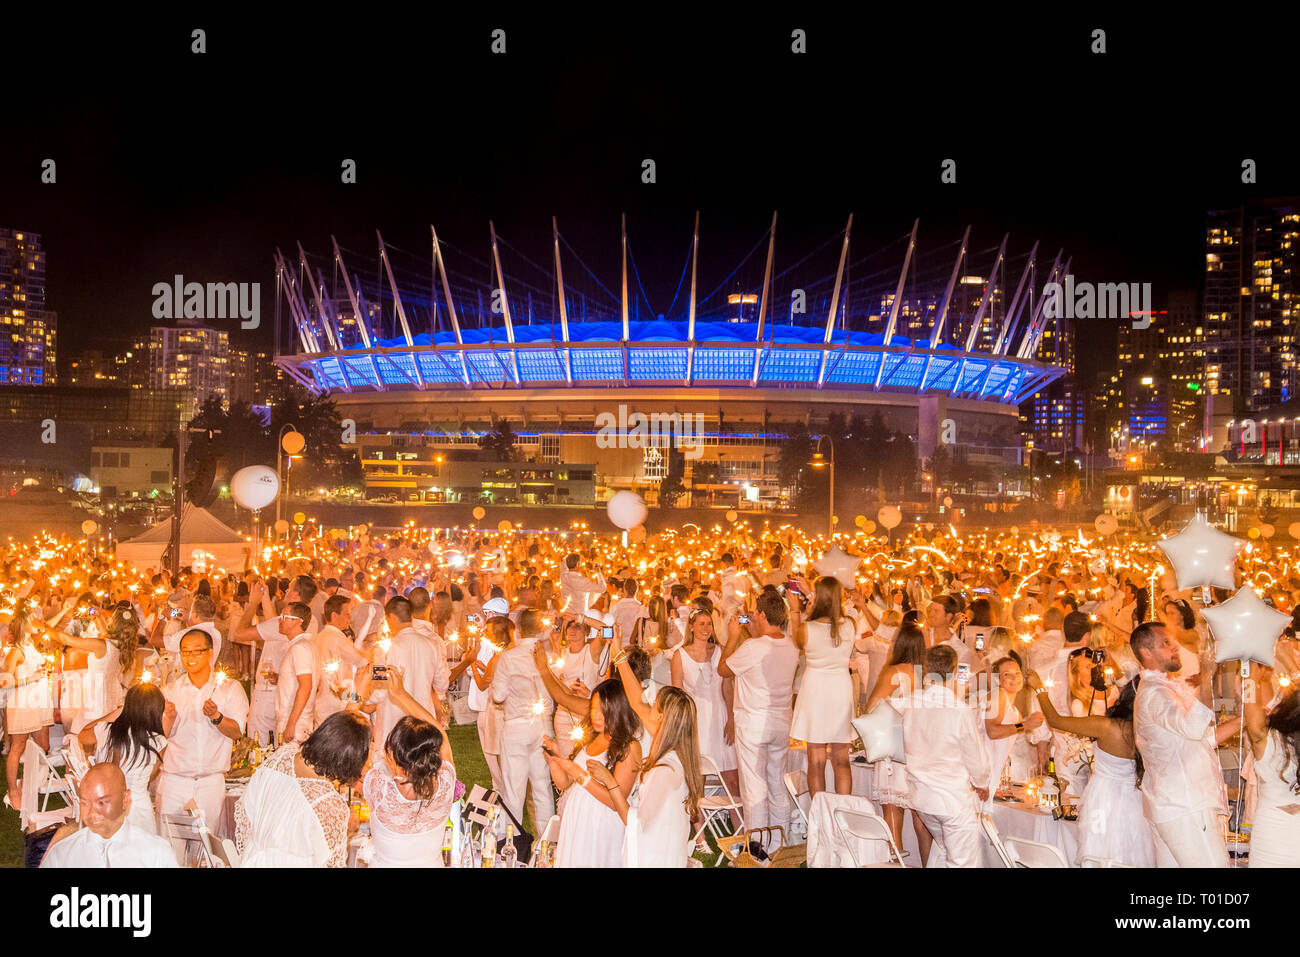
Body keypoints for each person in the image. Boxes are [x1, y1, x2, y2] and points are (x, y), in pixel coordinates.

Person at [1027, 671, 1154, 867]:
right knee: (1129, 855)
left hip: (1104, 800)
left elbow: (1055, 721)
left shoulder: (1106, 726)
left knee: (1099, 855)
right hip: (1135, 802)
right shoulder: (1146, 732)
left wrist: (1039, 688)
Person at [1130, 621, 1229, 868]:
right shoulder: (1156, 693)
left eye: (1173, 641)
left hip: (1174, 806)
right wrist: (1207, 677)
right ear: (1146, 653)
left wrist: (1246, 720)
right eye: (1166, 643)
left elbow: (1201, 741)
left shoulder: (1163, 687)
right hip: (1184, 807)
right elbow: (1194, 727)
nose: (1175, 647)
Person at [891, 645, 989, 867]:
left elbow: (885, 705)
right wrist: (982, 783)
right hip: (952, 800)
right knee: (962, 862)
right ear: (955, 672)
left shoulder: (912, 701)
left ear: (926, 670)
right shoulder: (959, 709)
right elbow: (975, 757)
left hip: (922, 798)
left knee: (942, 853)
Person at [718, 588, 800, 853]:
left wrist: (732, 637)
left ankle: (757, 848)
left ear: (762, 614)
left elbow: (723, 669)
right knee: (777, 784)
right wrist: (753, 633)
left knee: (754, 788)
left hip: (753, 725)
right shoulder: (791, 644)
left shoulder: (753, 647)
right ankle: (779, 845)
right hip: (781, 723)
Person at [588, 681, 703, 867]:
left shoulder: (666, 769)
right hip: (666, 848)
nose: (649, 708)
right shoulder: (676, 759)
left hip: (655, 856)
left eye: (654, 705)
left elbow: (636, 822)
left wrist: (609, 781)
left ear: (661, 717)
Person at [235, 710, 371, 867]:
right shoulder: (330, 804)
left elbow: (245, 814)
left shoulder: (279, 758)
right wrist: (346, 829)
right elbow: (330, 863)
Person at [360, 668, 457, 868]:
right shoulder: (446, 782)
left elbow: (343, 744)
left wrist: (355, 695)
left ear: (391, 757)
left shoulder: (380, 789)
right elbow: (441, 735)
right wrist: (401, 694)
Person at [543, 677, 642, 867]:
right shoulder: (591, 739)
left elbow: (617, 802)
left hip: (602, 826)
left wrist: (582, 776)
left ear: (616, 710)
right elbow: (564, 784)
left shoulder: (629, 747)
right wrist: (554, 760)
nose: (595, 715)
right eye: (594, 709)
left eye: (602, 710)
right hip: (577, 819)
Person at [157, 628, 250, 832]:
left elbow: (237, 732)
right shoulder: (169, 691)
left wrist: (216, 717)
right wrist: (169, 717)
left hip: (210, 782)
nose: (190, 657)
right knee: (171, 846)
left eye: (196, 650)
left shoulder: (229, 688)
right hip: (174, 780)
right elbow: (159, 737)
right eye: (185, 651)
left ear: (210, 652)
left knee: (206, 848)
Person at [864, 621, 931, 860]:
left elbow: (872, 706)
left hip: (895, 748)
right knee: (921, 817)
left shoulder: (894, 672)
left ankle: (896, 861)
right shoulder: (927, 675)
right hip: (920, 749)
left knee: (892, 810)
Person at [490, 608, 556, 834]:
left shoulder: (509, 657)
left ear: (518, 630)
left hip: (516, 727)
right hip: (543, 726)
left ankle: (512, 844)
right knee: (542, 789)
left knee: (512, 791)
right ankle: (547, 845)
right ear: (540, 629)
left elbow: (498, 695)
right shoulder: (550, 656)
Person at [40, 763, 178, 868]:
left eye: (102, 802)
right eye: (85, 803)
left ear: (125, 800)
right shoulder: (63, 854)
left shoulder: (156, 852)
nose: (92, 812)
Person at [790, 576, 855, 796]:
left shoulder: (807, 628)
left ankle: (820, 814)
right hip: (840, 689)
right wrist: (811, 595)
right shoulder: (850, 626)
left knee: (816, 759)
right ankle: (843, 809)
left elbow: (796, 642)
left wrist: (795, 609)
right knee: (841, 758)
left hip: (815, 689)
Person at [78, 682, 168, 835]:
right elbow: (152, 776)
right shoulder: (159, 741)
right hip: (139, 806)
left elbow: (83, 734)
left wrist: (116, 713)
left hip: (107, 804)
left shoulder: (105, 729)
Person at [670, 607, 738, 803]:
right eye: (701, 624)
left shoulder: (720, 651)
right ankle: (699, 831)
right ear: (691, 627)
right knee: (697, 777)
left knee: (731, 778)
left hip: (720, 715)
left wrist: (732, 718)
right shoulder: (679, 655)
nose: (706, 628)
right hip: (695, 719)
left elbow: (728, 688)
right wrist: (681, 727)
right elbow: (678, 695)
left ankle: (739, 828)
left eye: (709, 623)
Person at [1237, 668, 1300, 867]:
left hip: (1275, 829)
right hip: (1272, 833)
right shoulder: (1271, 741)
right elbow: (1253, 716)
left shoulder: (1267, 740)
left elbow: (1253, 715)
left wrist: (1250, 678)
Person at [3, 606, 55, 811]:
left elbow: (46, 625)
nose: (36, 622)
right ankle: (13, 791)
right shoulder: (16, 651)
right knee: (18, 747)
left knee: (44, 745)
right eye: (32, 620)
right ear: (25, 625)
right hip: (23, 703)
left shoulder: (32, 644)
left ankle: (26, 784)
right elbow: (5, 681)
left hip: (38, 702)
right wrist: (30, 678)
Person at [982, 657, 1046, 801]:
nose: (1014, 677)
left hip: (990, 778)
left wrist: (996, 784)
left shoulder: (1015, 712)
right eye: (1007, 674)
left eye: (1017, 672)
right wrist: (1026, 725)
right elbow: (992, 731)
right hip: (980, 776)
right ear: (997, 680)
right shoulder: (998, 694)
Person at [275, 601, 320, 745]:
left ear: (297, 622)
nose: (279, 620)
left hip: (295, 721)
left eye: (284, 616)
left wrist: (291, 724)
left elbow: (306, 686)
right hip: (298, 720)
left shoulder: (300, 648)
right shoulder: (305, 645)